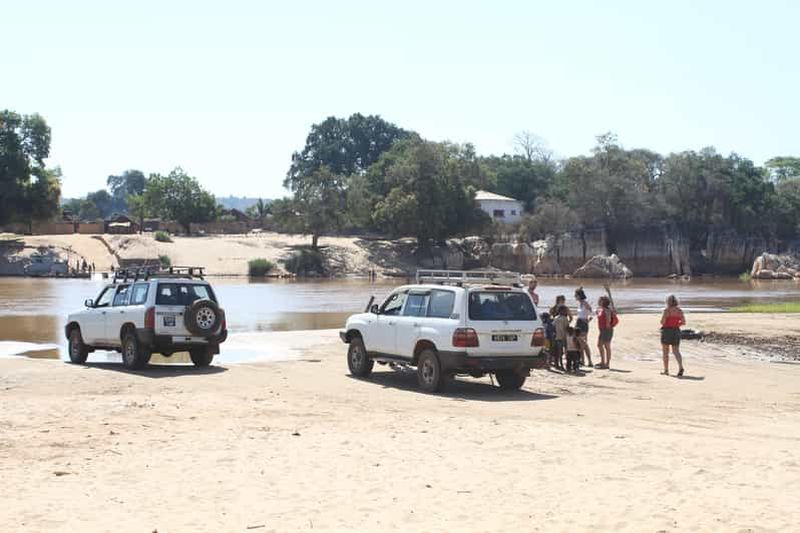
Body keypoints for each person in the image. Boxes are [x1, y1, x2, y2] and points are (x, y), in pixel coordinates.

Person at [661, 295, 686, 376]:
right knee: (676, 351)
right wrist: (676, 324)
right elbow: (683, 322)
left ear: (668, 302)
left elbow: (662, 322)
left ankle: (666, 370)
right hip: (676, 331)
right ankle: (680, 367)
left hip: (667, 331)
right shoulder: (679, 311)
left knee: (665, 352)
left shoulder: (667, 311)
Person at [596, 295, 618, 369]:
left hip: (607, 329)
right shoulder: (600, 309)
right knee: (599, 345)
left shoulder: (607, 310)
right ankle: (602, 361)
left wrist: (607, 325)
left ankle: (607, 363)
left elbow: (608, 319)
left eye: (600, 300)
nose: (598, 301)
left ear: (603, 302)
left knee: (607, 346)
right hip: (602, 330)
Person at [574, 288, 593, 367]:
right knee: (579, 343)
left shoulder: (585, 303)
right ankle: (582, 360)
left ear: (579, 295)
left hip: (583, 323)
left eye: (576, 295)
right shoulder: (579, 303)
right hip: (578, 322)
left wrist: (589, 320)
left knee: (584, 343)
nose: (575, 296)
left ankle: (589, 361)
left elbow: (591, 311)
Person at [552, 305, 570, 370]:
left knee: (559, 352)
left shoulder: (556, 318)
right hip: (564, 337)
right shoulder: (565, 319)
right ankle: (564, 365)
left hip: (557, 337)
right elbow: (567, 327)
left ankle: (559, 364)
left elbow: (553, 326)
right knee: (565, 351)